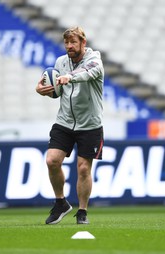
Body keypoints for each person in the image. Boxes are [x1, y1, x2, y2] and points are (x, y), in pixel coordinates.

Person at [35, 26, 104, 225]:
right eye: (66, 42)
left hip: (90, 124)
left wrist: (69, 77)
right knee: (52, 161)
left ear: (83, 42)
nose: (69, 46)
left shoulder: (95, 60)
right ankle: (61, 203)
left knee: (83, 169)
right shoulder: (60, 62)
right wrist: (43, 89)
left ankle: (82, 211)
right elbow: (57, 91)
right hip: (64, 121)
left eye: (73, 42)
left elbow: (88, 73)